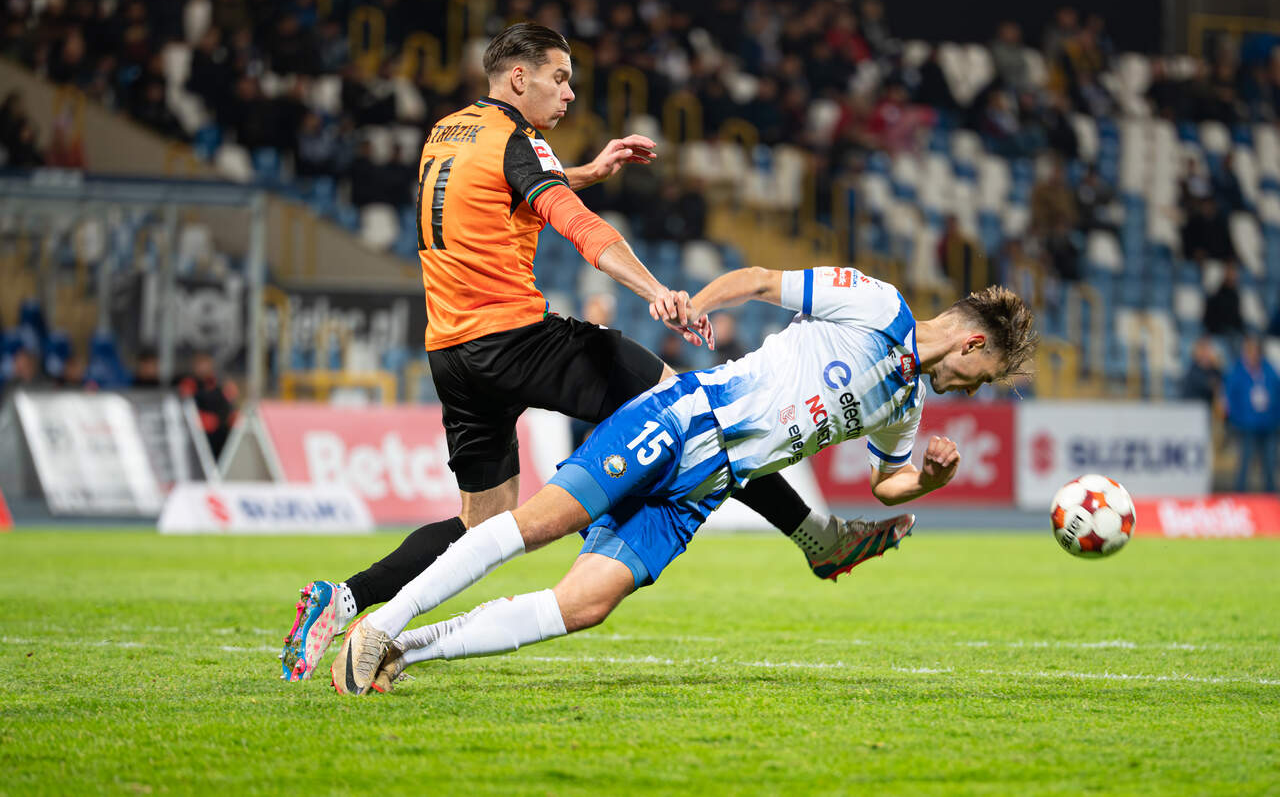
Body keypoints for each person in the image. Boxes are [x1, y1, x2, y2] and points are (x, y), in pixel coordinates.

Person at [279, 23, 814, 680]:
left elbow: (504, 190)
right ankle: (812, 534)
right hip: (515, 338)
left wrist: (587, 170)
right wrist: (656, 289)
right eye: (559, 79)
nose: (568, 94)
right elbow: (576, 225)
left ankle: (344, 598)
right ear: (518, 77)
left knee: (482, 524)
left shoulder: (447, 131)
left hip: (452, 352)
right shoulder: (516, 139)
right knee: (693, 407)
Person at [329, 266, 1037, 695]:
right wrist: (701, 303)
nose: (973, 389)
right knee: (540, 524)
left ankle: (403, 648)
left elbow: (886, 486)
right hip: (682, 419)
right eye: (984, 375)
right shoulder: (876, 305)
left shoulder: (906, 404)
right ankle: (381, 622)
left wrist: (927, 479)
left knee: (586, 604)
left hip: (705, 487)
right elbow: (761, 281)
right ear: (974, 342)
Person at [1222, 334, 1280, 492]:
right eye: (1250, 350)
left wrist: (1276, 417)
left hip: (1268, 425)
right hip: (1246, 426)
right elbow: (1229, 398)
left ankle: (1271, 499)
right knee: (1244, 464)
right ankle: (1240, 497)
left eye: (1255, 350)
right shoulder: (1237, 371)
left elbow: (1277, 392)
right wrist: (1237, 420)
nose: (1253, 354)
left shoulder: (1269, 369)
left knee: (1270, 465)